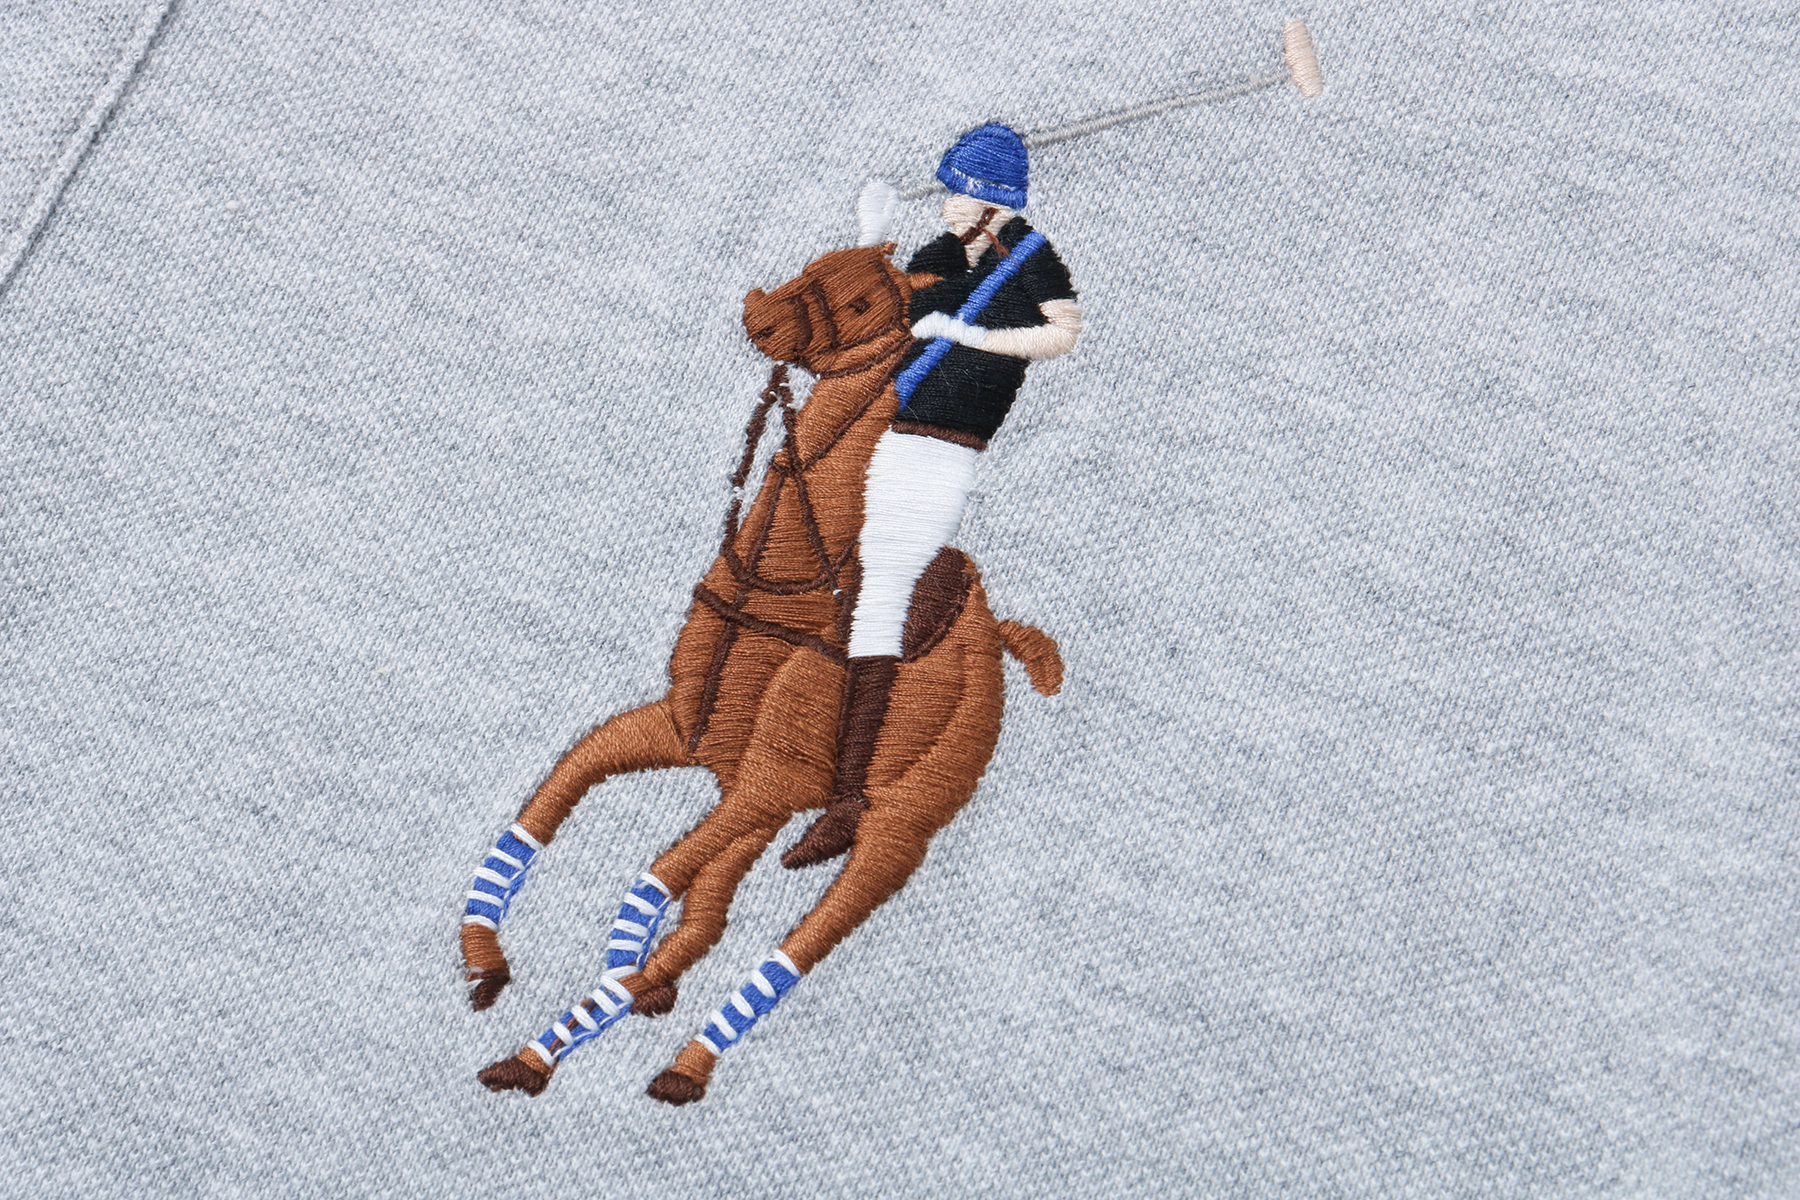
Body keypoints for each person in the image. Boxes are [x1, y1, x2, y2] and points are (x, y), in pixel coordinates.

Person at [782, 123, 1082, 868]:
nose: (947, 207)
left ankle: (850, 796)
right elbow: (877, 309)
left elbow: (1062, 333)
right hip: (882, 426)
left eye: (959, 196)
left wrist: (968, 335)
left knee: (881, 594)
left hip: (942, 446)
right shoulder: (944, 256)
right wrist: (870, 236)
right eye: (948, 195)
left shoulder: (1028, 255)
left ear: (991, 203)